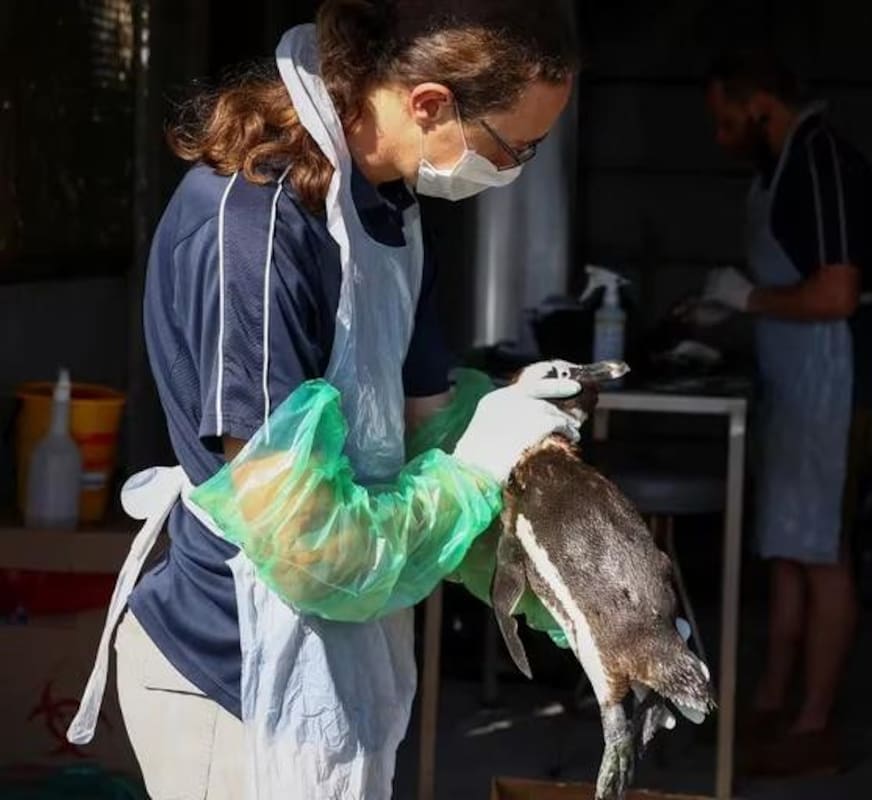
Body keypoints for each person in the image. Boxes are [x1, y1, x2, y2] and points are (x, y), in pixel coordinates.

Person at [66, 2, 584, 797]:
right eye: (515, 146)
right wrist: (476, 474)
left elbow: (427, 427)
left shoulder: (390, 211)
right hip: (233, 670)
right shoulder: (255, 229)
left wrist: (568, 574)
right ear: (430, 104)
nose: (516, 167)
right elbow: (306, 544)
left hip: (347, 653)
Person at [698, 49, 872, 773]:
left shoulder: (822, 164)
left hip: (838, 384)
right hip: (793, 385)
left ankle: (814, 726)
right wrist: (727, 308)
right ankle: (770, 703)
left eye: (729, 122)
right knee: (788, 546)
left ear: (762, 107)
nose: (722, 138)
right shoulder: (779, 170)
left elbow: (837, 294)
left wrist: (748, 298)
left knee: (822, 552)